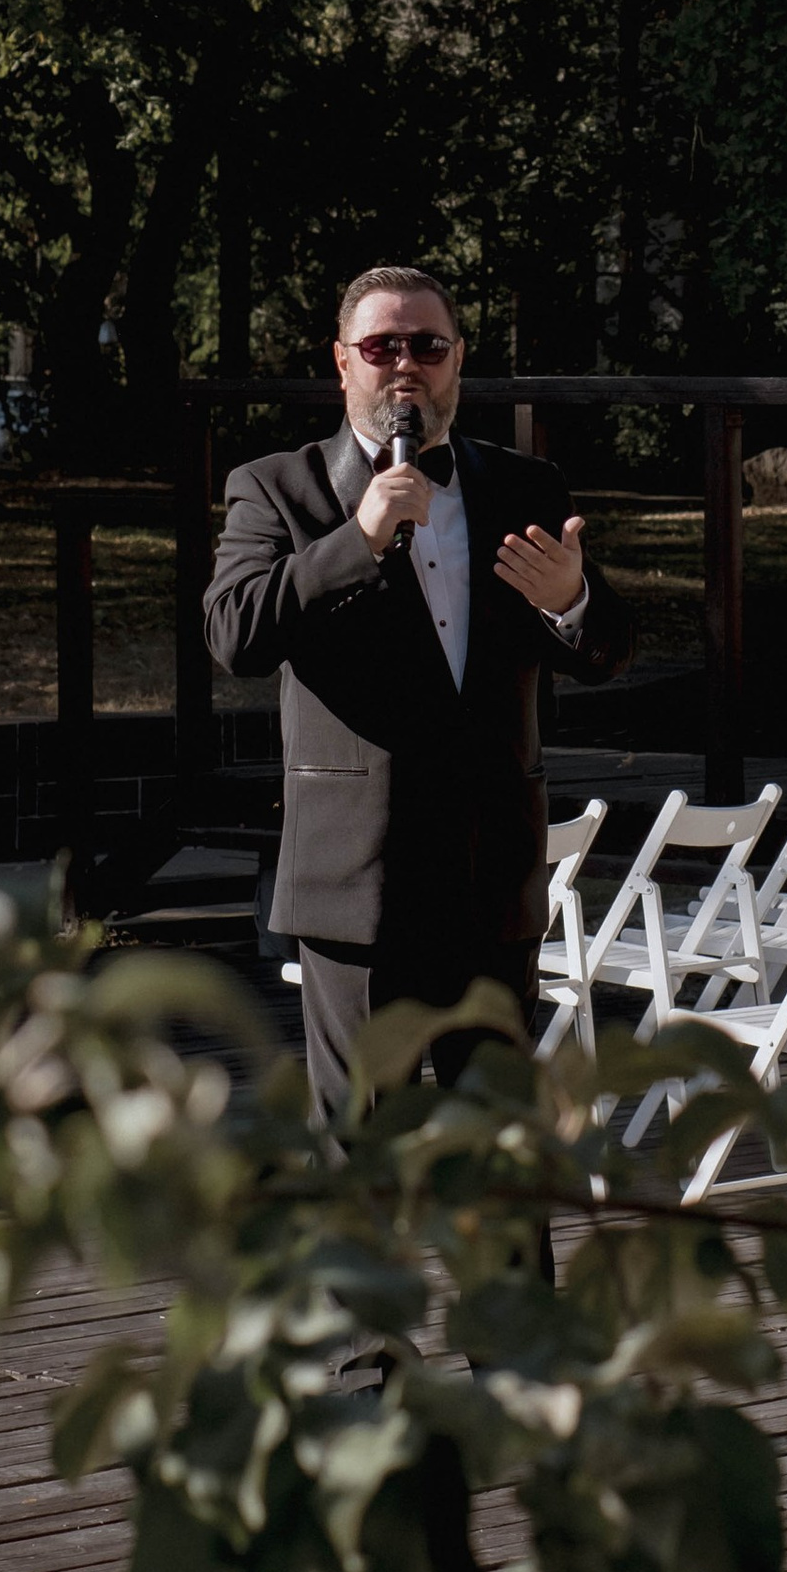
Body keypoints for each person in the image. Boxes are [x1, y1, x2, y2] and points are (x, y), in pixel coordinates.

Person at [203, 263, 632, 1110]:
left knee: (504, 1162)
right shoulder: (278, 489)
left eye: (427, 346)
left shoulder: (524, 487)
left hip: (492, 883)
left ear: (458, 359)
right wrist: (355, 543)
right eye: (381, 346)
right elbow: (235, 634)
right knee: (364, 1163)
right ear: (342, 362)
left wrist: (569, 602)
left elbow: (610, 648)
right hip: (360, 890)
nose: (406, 366)